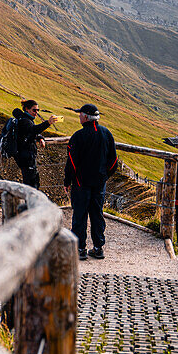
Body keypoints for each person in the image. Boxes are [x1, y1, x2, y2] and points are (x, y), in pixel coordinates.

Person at [64, 103, 118, 261]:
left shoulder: (78, 136)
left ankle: (80, 249)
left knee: (80, 215)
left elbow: (72, 163)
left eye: (80, 114)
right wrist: (105, 176)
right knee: (97, 214)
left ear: (86, 117)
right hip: (99, 183)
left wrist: (68, 181)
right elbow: (114, 160)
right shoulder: (106, 133)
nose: (79, 116)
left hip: (81, 183)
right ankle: (98, 247)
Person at [13, 100, 62, 190]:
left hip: (25, 156)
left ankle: (30, 203)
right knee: (31, 184)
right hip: (26, 156)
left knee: (32, 182)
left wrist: (40, 138)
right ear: (27, 109)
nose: (36, 112)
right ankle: (30, 203)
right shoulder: (25, 121)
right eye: (34, 110)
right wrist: (48, 123)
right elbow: (33, 130)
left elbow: (31, 132)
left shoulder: (25, 119)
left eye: (38, 110)